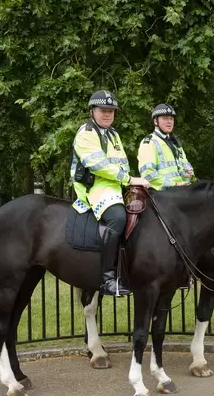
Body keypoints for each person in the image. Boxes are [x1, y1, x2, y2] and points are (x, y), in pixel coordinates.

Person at [71, 90, 150, 297]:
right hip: (96, 187)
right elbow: (99, 166)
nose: (107, 114)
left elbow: (121, 163)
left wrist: (131, 183)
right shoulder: (86, 133)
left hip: (116, 186)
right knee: (117, 218)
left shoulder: (113, 134)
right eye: (103, 110)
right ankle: (107, 278)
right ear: (92, 111)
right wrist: (129, 180)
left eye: (111, 111)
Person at [137, 103, 196, 288]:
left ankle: (186, 270)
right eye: (165, 118)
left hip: (180, 196)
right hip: (160, 195)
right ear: (156, 121)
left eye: (171, 118)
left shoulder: (175, 143)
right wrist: (175, 183)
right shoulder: (149, 143)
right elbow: (148, 174)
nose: (169, 121)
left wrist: (189, 175)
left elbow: (187, 169)